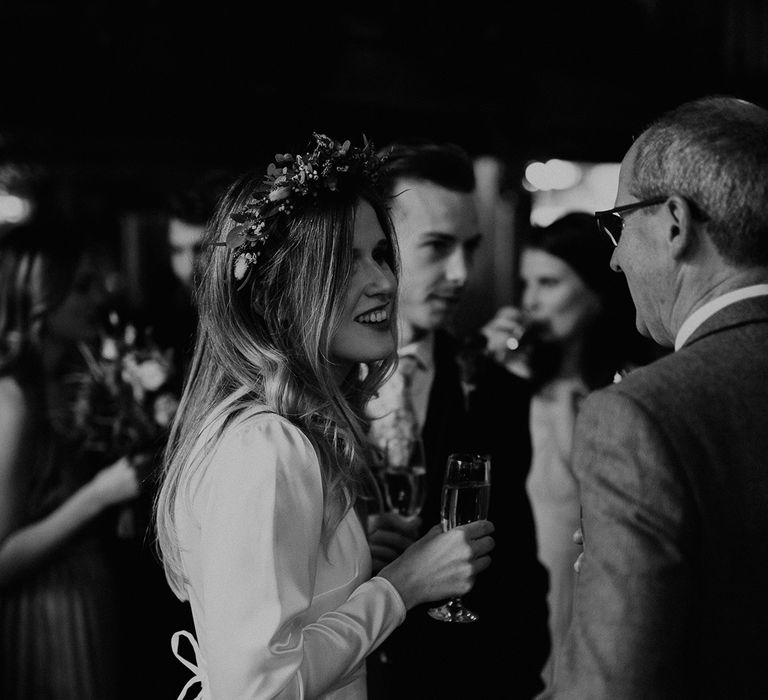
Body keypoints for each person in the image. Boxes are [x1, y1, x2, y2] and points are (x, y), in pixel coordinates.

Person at [153, 133, 495, 699]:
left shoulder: (279, 436)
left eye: (382, 255)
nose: (384, 281)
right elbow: (260, 689)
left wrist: (353, 557)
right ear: (277, 295)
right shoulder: (267, 446)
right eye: (345, 262)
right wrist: (399, 586)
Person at [542, 95, 768, 699]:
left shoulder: (641, 415)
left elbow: (609, 686)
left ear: (675, 223)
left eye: (619, 224)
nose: (614, 259)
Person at [365, 139, 550, 699]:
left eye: (469, 247)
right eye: (437, 247)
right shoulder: (312, 389)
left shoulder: (493, 389)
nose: (461, 272)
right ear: (380, 246)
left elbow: (518, 569)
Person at [481, 211, 659, 686]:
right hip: (522, 601)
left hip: (601, 597)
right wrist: (491, 380)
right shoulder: (512, 384)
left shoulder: (633, 389)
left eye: (549, 283)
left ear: (595, 290)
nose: (531, 302)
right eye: (526, 284)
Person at [0, 222, 141, 699]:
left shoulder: (62, 381)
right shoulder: (14, 400)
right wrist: (99, 496)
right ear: (40, 291)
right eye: (81, 285)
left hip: (83, 595)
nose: (98, 298)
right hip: (44, 612)